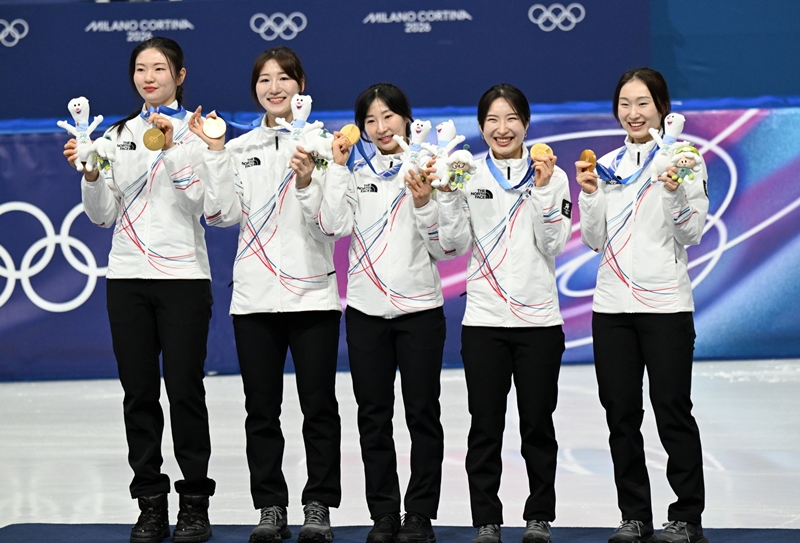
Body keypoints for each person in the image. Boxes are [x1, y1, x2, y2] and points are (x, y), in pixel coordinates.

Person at [163, 46, 342, 543]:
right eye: (265, 80)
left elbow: (333, 226)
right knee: (261, 410)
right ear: (255, 89)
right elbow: (220, 216)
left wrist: (310, 178)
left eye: (284, 78)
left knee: (319, 409)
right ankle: (270, 506)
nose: (274, 87)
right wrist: (216, 156)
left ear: (300, 84)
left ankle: (318, 506)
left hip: (313, 300)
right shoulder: (239, 148)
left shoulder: (326, 146)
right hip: (256, 301)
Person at [62, 37, 214, 543]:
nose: (150, 77)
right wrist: (89, 172)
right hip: (127, 279)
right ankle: (150, 503)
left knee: (186, 393)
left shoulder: (200, 133)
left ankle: (195, 503)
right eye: (141, 69)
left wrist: (172, 146)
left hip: (184, 280)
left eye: (160, 68)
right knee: (139, 395)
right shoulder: (115, 135)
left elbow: (201, 206)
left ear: (181, 74)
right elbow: (102, 214)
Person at [310, 83, 454, 543]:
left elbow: (447, 248)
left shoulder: (430, 166)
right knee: (373, 416)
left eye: (388, 116)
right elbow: (331, 227)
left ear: (407, 118)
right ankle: (384, 514)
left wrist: (426, 201)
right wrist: (334, 167)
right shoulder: (351, 170)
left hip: (419, 312)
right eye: (370, 120)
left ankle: (420, 514)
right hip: (366, 312)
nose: (380, 126)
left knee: (422, 415)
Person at [574, 67, 709, 543]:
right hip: (611, 309)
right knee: (621, 415)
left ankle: (687, 517)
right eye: (625, 104)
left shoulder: (686, 160)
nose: (633, 113)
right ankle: (635, 515)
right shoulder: (606, 164)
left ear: (662, 109)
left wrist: (673, 190)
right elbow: (593, 240)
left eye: (643, 104)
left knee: (672, 409)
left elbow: (691, 233)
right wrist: (589, 196)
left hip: (667, 306)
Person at [435, 84, 571, 543]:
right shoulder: (468, 173)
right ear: (481, 127)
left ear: (526, 125)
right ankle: (486, 519)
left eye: (511, 118)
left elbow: (553, 244)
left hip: (538, 322)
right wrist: (450, 196)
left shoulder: (550, 174)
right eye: (492, 119)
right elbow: (451, 245)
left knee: (538, 423)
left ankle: (539, 516)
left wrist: (546, 188)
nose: (502, 128)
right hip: (485, 322)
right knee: (485, 425)